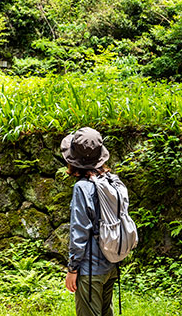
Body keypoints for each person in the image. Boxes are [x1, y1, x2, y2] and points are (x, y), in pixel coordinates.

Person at [61, 127, 117, 316]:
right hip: (111, 263)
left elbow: (80, 232)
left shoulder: (82, 188)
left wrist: (72, 269)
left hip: (90, 269)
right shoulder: (111, 181)